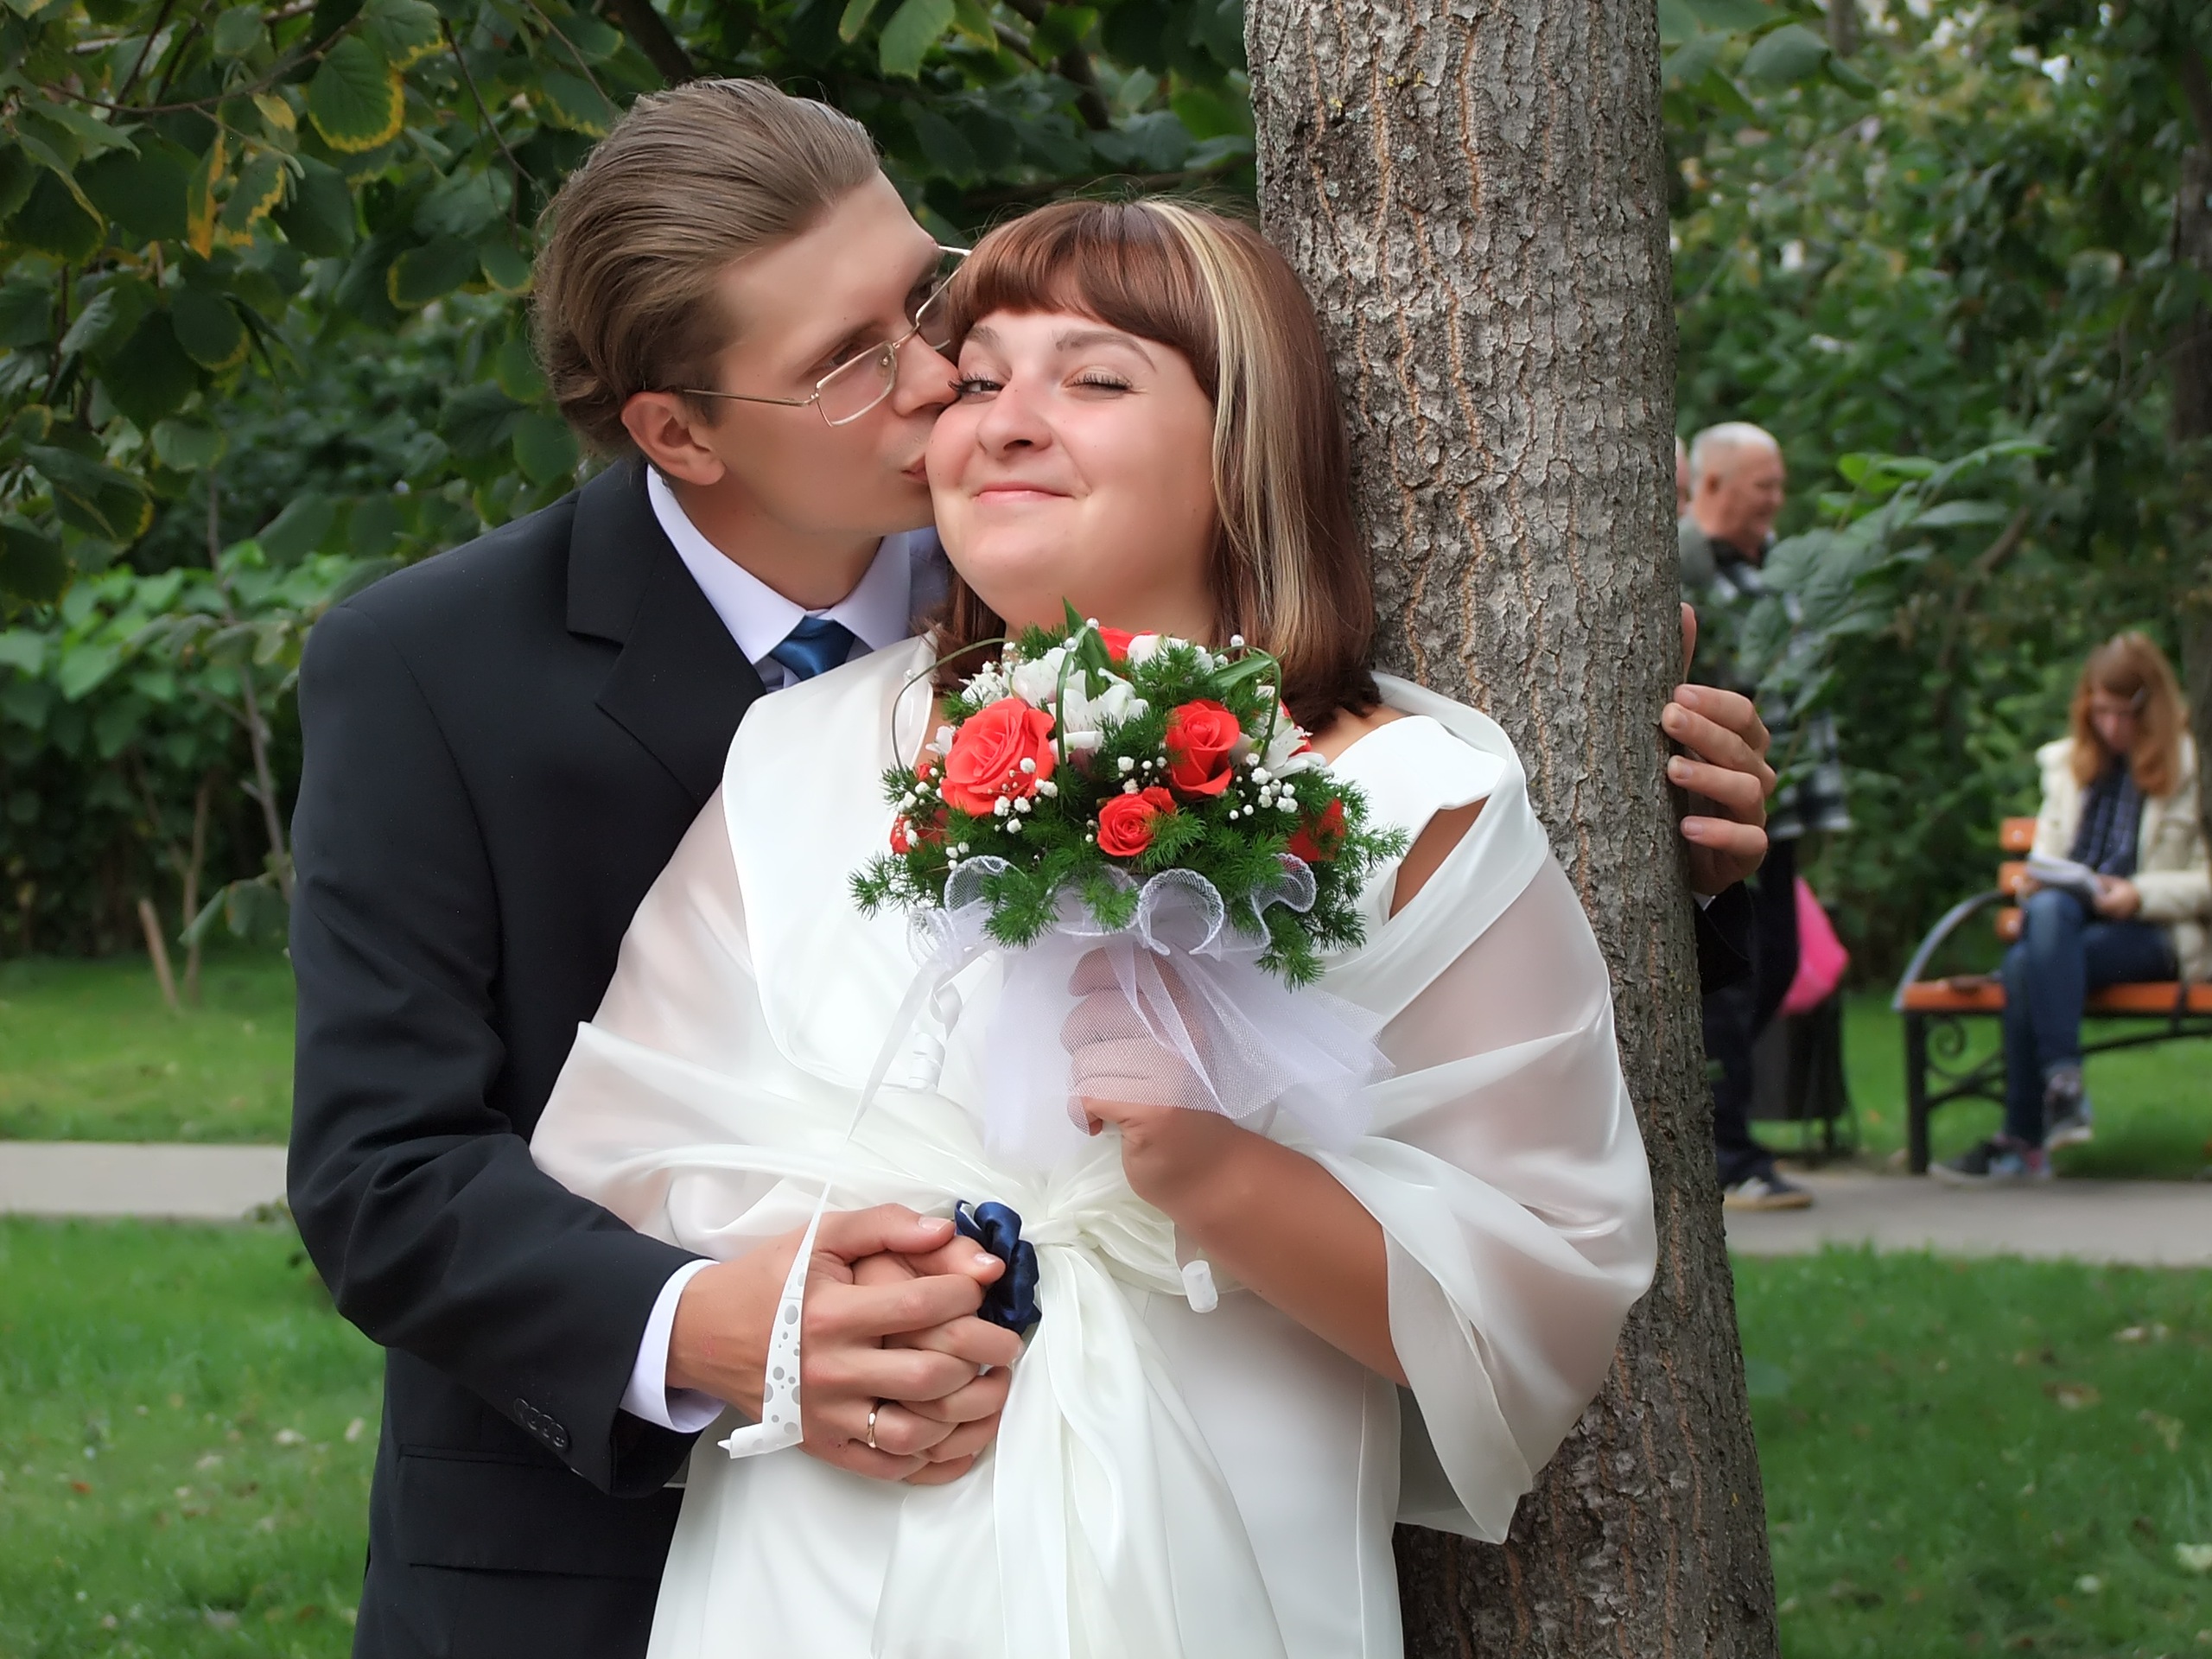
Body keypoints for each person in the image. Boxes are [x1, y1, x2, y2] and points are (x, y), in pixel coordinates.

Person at [287, 81, 1775, 1659]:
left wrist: (1662, 839)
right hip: (651, 1548)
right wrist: (716, 1326)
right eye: (862, 361)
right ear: (681, 431)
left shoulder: (1104, 561)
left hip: (1217, 1524)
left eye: (925, 300)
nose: (952, 385)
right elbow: (392, 1168)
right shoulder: (464, 675)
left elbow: (1484, 1070)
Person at [1936, 632, 2209, 1185]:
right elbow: (2047, 860)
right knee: (2043, 924)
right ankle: (2063, 1087)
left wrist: (2138, 893)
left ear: (2149, 708)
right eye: (2100, 712)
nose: (2110, 727)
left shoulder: (2190, 767)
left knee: (2025, 964)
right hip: (2067, 927)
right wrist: (2041, 882)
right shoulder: (2067, 766)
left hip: (2150, 933)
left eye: (2122, 714)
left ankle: (2023, 1140)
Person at [1680, 421, 1849, 1211]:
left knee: (1776, 963)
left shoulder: (1781, 567)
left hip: (1782, 802)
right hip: (1718, 810)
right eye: (1764, 485)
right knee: (1733, 979)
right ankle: (1731, 1153)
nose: (1778, 499)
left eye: (1781, 483)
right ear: (1712, 485)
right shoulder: (1686, 565)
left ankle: (1715, 1119)